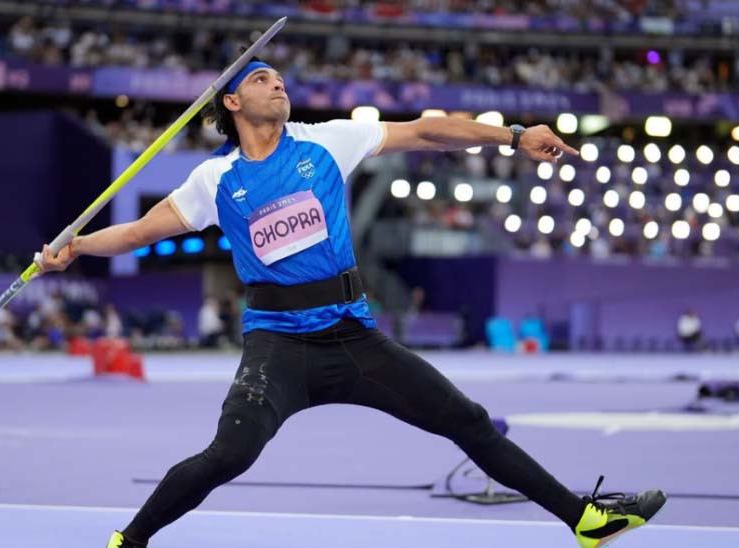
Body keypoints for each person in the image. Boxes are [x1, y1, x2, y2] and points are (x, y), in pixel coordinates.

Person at [36, 60, 665, 548]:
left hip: (354, 339)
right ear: (232, 102)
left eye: (279, 78)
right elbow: (142, 230)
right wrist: (77, 246)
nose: (277, 84)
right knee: (228, 455)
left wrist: (514, 135)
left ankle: (584, 520)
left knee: (468, 421)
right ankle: (129, 541)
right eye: (261, 79)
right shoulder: (215, 180)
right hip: (278, 346)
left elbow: (425, 130)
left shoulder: (326, 142)